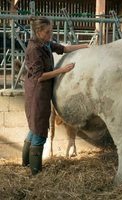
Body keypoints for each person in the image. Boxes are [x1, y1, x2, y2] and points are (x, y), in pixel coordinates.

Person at [22, 16, 89, 175]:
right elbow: (39, 75)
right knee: (39, 132)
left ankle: (25, 164)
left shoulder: (44, 44)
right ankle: (35, 172)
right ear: (38, 32)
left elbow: (63, 49)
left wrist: (84, 46)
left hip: (42, 91)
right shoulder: (34, 49)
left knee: (34, 128)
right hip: (37, 92)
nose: (50, 34)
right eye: (48, 32)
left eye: (51, 31)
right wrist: (62, 70)